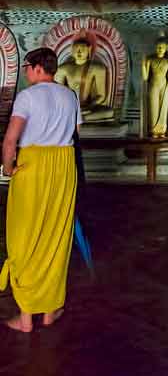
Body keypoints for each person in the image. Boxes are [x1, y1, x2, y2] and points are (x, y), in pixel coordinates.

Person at [0, 47, 81, 332]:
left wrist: (8, 168)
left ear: (36, 68)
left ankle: (26, 319)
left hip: (33, 165)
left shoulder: (28, 96)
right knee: (55, 237)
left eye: (26, 68)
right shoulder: (70, 96)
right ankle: (48, 312)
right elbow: (76, 133)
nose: (25, 73)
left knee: (25, 237)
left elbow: (10, 139)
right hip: (64, 167)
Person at [54, 37, 114, 122]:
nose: (79, 52)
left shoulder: (98, 68)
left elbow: (101, 96)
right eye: (76, 48)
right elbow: (58, 94)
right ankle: (78, 117)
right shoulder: (62, 69)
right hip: (69, 107)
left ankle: (77, 118)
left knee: (109, 112)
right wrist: (69, 106)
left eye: (82, 49)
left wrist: (88, 107)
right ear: (72, 50)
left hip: (89, 108)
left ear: (89, 49)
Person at [141, 33, 168, 138]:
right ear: (155, 47)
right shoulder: (150, 60)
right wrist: (143, 65)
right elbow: (145, 77)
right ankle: (154, 131)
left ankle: (162, 131)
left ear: (166, 48)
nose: (160, 49)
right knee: (153, 109)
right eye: (158, 47)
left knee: (164, 109)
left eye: (162, 47)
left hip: (164, 86)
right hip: (153, 86)